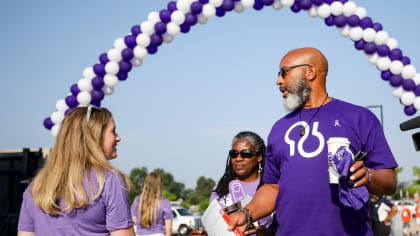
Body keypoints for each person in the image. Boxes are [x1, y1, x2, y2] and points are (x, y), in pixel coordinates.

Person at [227, 47, 398, 235]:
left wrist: (368, 175)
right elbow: (272, 187)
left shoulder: (360, 118)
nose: (278, 81)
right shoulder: (278, 128)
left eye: (284, 72)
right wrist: (247, 213)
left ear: (310, 72)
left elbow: (389, 182)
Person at [17, 106, 135, 236]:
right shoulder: (109, 180)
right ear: (95, 136)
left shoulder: (35, 188)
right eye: (113, 131)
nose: (118, 138)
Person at [192, 131, 274, 236]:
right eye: (234, 154)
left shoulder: (271, 187)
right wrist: (203, 234)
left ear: (259, 156)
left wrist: (267, 233)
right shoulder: (221, 188)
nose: (238, 159)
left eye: (246, 154)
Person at [130, 172, 173, 236]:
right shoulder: (164, 202)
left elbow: (133, 221)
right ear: (160, 185)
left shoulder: (138, 200)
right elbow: (169, 228)